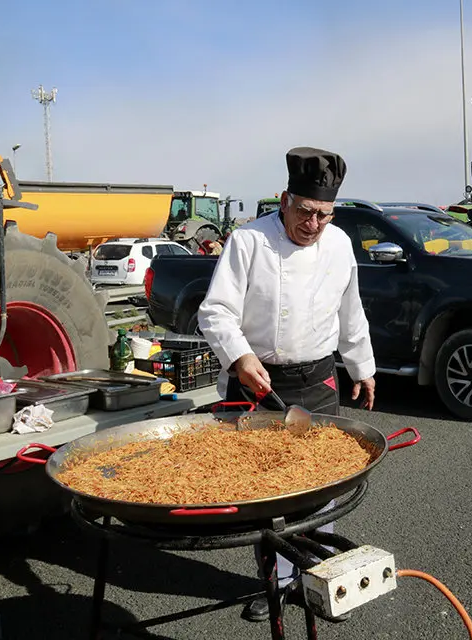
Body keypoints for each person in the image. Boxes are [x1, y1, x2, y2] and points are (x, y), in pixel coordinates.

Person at [197, 146, 376, 622]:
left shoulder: (338, 244)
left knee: (321, 487)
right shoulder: (248, 241)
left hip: (317, 379)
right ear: (284, 199)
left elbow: (350, 310)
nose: (313, 224)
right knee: (265, 490)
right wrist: (238, 356)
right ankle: (274, 584)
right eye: (305, 211)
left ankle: (320, 581)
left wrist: (363, 367)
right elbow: (215, 311)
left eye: (323, 215)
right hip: (257, 381)